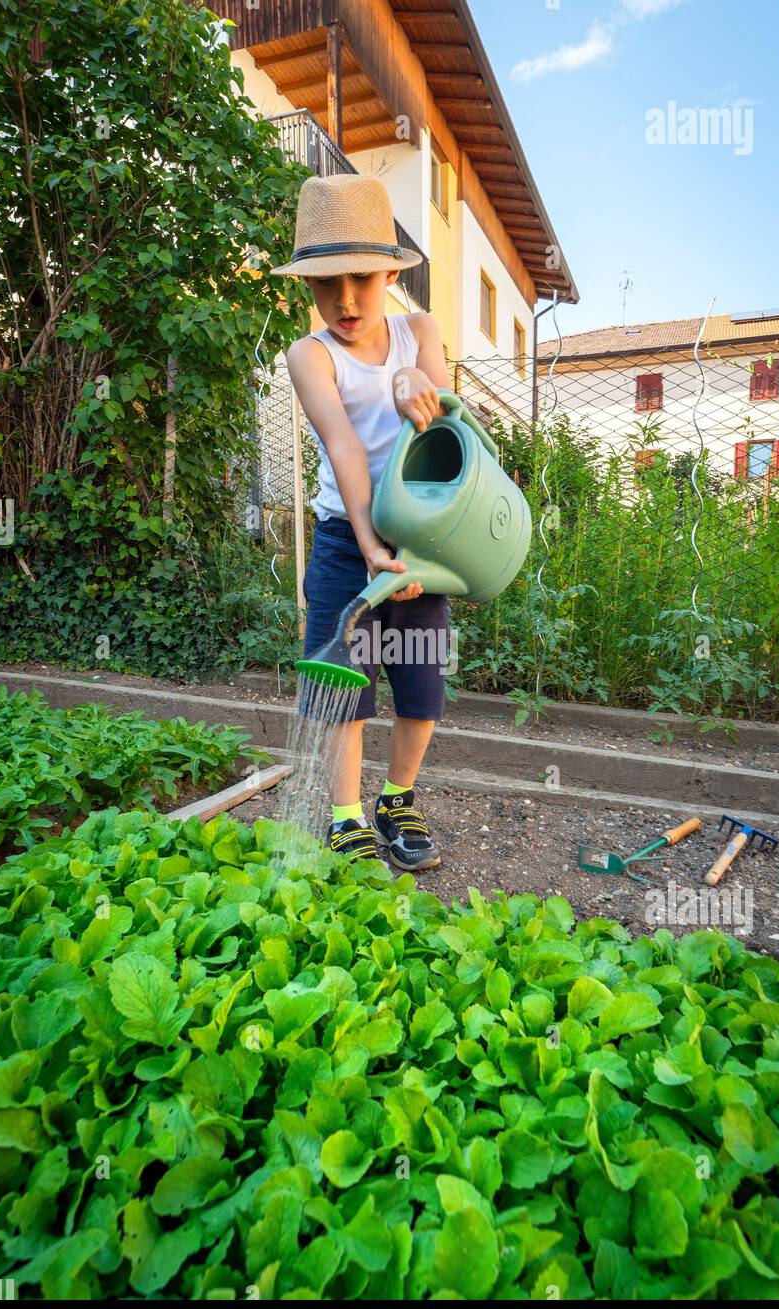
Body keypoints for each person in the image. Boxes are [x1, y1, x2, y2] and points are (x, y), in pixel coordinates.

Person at [271, 173, 452, 869]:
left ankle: (397, 801)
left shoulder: (420, 330)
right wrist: (375, 549)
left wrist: (416, 385)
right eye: (326, 285)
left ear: (388, 275)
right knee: (342, 684)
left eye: (362, 281)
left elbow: (438, 421)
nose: (345, 301)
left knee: (422, 684)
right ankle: (345, 817)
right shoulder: (309, 355)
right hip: (349, 544)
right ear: (308, 287)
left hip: (423, 539)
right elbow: (344, 444)